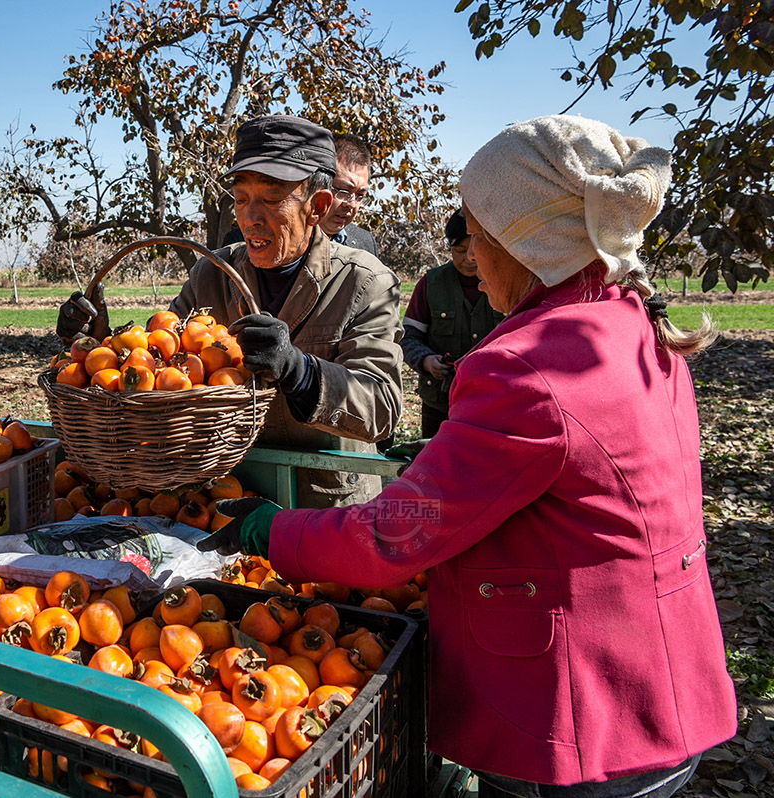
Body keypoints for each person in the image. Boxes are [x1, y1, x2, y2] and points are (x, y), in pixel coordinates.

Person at [200, 115, 736, 796]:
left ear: (526, 243)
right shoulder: (632, 319)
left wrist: (265, 529)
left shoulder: (526, 367)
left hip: (577, 715)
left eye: (479, 241)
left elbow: (395, 531)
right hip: (657, 682)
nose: (472, 264)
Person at [57, 114, 403, 508]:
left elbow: (382, 407)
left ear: (317, 206)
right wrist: (96, 345)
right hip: (225, 501)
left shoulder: (364, 282)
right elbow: (165, 365)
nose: (250, 217)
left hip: (318, 508)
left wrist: (299, 370)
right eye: (241, 199)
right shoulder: (213, 274)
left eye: (271, 199)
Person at [401, 209, 504, 438]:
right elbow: (408, 337)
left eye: (474, 249)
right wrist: (426, 361)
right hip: (440, 405)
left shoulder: (505, 283)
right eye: (459, 250)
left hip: (494, 404)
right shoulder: (431, 284)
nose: (468, 258)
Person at [221, 132, 380, 257]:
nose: (351, 204)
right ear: (319, 188)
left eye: (359, 195)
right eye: (343, 191)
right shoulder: (245, 241)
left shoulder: (365, 242)